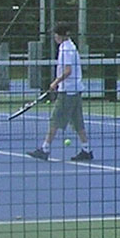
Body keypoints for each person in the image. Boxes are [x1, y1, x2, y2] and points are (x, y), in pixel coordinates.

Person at [30, 24, 92, 162]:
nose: (54, 37)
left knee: (55, 120)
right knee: (77, 121)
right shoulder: (70, 46)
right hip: (75, 90)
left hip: (68, 91)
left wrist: (55, 82)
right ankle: (86, 149)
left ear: (62, 35)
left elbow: (68, 71)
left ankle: (45, 149)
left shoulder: (66, 49)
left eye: (56, 34)